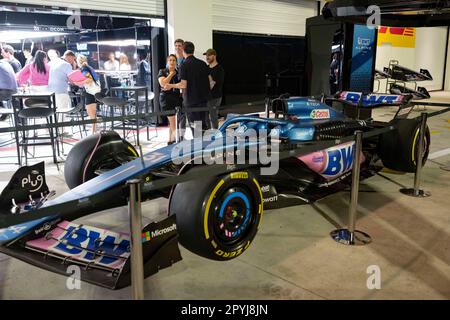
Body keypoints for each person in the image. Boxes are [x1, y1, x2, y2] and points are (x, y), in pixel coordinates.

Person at [164, 41, 211, 131]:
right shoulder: (203, 63)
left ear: (183, 50)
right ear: (193, 50)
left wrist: (170, 85)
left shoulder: (184, 65)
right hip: (204, 101)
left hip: (192, 102)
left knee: (196, 129)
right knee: (203, 126)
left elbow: (183, 84)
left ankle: (199, 144)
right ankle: (204, 144)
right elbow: (210, 81)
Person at [158, 54, 182, 145]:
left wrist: (172, 86)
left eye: (174, 60)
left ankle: (170, 140)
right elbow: (163, 84)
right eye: (170, 60)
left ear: (176, 62)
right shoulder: (163, 71)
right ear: (167, 62)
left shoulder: (178, 72)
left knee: (173, 121)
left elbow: (181, 84)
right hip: (166, 99)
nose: (172, 62)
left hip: (176, 98)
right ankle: (176, 141)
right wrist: (171, 74)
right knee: (172, 121)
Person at [75, 55, 101, 133]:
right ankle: (94, 131)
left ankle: (93, 132)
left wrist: (78, 82)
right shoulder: (88, 67)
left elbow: (89, 79)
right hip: (93, 91)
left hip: (90, 92)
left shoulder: (84, 69)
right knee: (92, 112)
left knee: (91, 112)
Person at [204, 48, 225, 129]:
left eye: (209, 55)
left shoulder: (219, 69)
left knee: (213, 116)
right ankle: (208, 133)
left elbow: (213, 84)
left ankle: (215, 133)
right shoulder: (206, 67)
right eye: (206, 55)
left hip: (215, 96)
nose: (207, 57)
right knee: (205, 116)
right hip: (206, 96)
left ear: (214, 56)